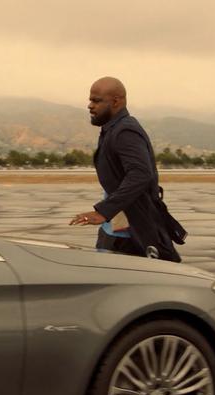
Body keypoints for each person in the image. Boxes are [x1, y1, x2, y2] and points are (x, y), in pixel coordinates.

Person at [69, 76, 180, 262]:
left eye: (96, 100)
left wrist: (103, 211)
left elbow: (140, 174)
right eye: (90, 100)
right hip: (115, 230)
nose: (90, 105)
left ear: (115, 101)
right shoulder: (112, 129)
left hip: (130, 238)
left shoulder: (125, 131)